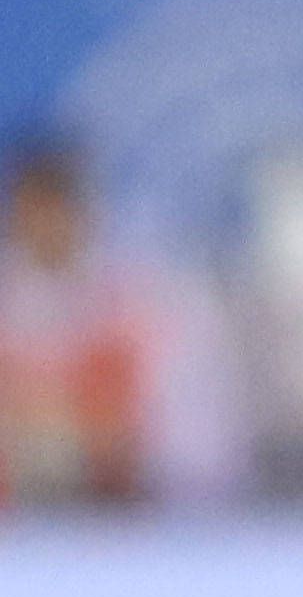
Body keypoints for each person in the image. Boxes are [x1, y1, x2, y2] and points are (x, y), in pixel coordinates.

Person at [0, 133, 245, 512]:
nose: (46, 226)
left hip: (129, 515)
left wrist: (121, 447)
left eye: (56, 210)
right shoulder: (11, 302)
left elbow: (201, 436)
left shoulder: (141, 297)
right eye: (34, 212)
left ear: (83, 212)